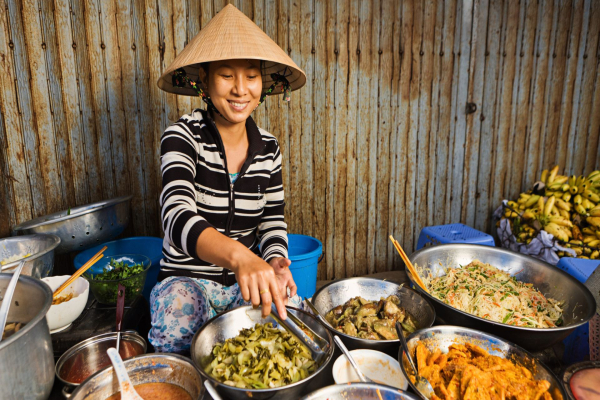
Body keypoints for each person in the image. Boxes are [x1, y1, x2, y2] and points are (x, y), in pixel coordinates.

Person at [150, 4, 307, 353]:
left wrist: (276, 261)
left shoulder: (268, 147)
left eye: (251, 75)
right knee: (179, 322)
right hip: (187, 281)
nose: (240, 89)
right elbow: (175, 216)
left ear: (263, 83)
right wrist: (240, 257)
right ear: (204, 80)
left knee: (292, 319)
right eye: (226, 75)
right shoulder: (181, 136)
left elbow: (271, 221)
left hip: (244, 284)